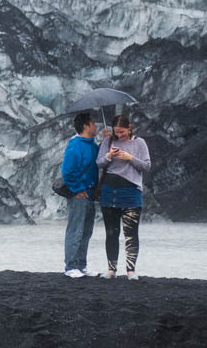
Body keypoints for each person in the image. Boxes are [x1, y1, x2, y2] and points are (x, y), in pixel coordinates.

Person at [95, 114, 151, 280]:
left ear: (130, 127)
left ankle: (131, 271)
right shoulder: (108, 141)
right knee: (111, 232)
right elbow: (98, 163)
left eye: (122, 132)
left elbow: (146, 166)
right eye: (116, 132)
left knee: (131, 233)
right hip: (109, 193)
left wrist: (130, 158)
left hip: (131, 192)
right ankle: (111, 270)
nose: (119, 135)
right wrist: (109, 156)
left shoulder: (140, 143)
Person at [61, 112, 100, 277]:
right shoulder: (75, 145)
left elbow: (102, 160)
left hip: (90, 194)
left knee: (86, 231)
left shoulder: (92, 145)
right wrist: (78, 189)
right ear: (86, 125)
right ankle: (70, 267)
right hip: (79, 195)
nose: (96, 126)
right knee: (76, 230)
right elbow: (67, 171)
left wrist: (107, 142)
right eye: (93, 123)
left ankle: (81, 265)